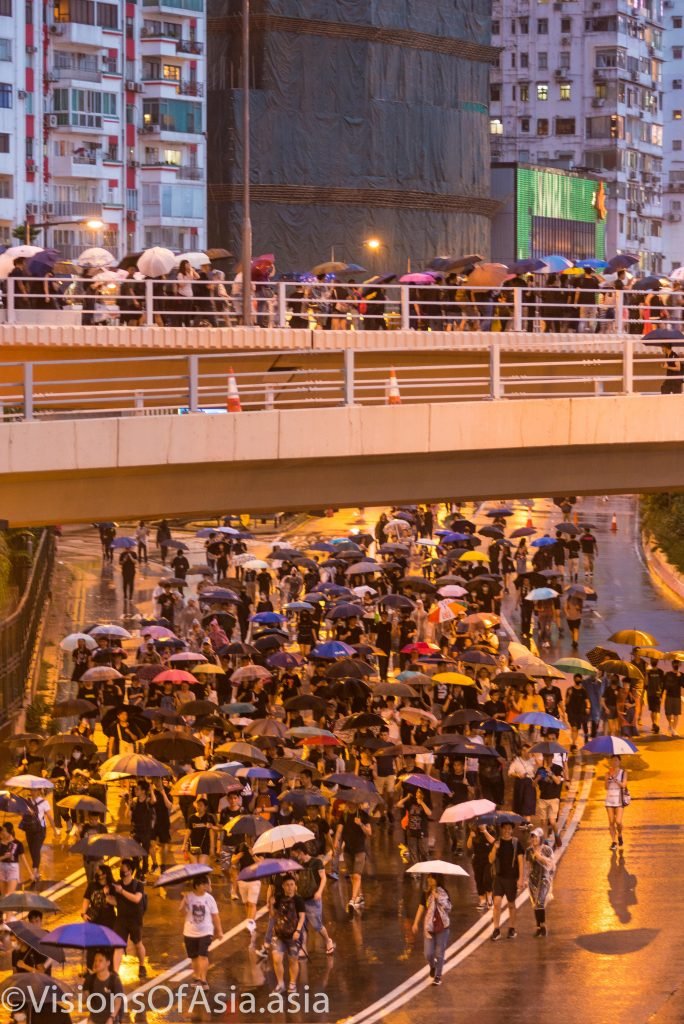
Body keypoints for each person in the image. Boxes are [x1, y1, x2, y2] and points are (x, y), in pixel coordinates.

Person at [291, 843, 335, 955]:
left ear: (301, 852)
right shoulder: (297, 865)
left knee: (317, 925)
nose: (295, 856)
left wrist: (319, 892)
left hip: (313, 900)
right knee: (302, 925)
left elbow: (323, 878)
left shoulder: (316, 862)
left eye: (296, 854)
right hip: (301, 899)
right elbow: (297, 881)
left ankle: (328, 940)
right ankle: (303, 947)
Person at [181, 874, 224, 988]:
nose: (205, 886)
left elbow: (215, 916)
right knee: (194, 957)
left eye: (206, 884)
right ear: (196, 885)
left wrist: (219, 931)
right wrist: (184, 902)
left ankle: (203, 979)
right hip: (190, 932)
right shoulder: (188, 897)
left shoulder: (209, 898)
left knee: (203, 955)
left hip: (206, 932)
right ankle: (196, 976)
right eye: (203, 884)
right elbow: (182, 913)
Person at [411, 872, 452, 986]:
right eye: (428, 877)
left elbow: (448, 907)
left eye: (432, 878)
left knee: (439, 954)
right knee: (428, 954)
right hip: (429, 927)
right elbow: (421, 908)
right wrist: (415, 923)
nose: (429, 880)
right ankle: (432, 966)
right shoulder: (425, 893)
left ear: (437, 879)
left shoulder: (444, 893)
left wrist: (437, 897)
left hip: (442, 927)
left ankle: (438, 976)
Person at [270, 874, 306, 995]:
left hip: (293, 935)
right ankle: (280, 983)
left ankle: (292, 983)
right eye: (287, 885)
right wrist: (270, 904)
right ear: (283, 886)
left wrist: (298, 931)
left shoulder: (298, 900)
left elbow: (302, 917)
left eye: (292, 885)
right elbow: (273, 915)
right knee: (276, 959)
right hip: (279, 934)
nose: (289, 887)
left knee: (292, 960)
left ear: (295, 886)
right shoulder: (278, 898)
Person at [333, 800, 372, 912]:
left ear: (357, 803)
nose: (350, 804)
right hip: (348, 850)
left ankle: (352, 900)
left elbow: (369, 833)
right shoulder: (344, 816)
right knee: (352, 876)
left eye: (352, 802)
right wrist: (336, 841)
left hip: (360, 850)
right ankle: (360, 896)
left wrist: (360, 824)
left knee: (357, 876)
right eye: (348, 802)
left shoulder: (363, 815)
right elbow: (339, 830)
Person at [112, 858, 147, 977]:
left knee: (138, 943)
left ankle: (142, 965)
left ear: (130, 871)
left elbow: (137, 899)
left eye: (123, 869)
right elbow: (115, 901)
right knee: (119, 946)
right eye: (120, 868)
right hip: (121, 919)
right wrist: (106, 894)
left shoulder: (138, 885)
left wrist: (122, 892)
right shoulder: (118, 884)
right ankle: (115, 972)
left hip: (135, 920)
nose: (121, 871)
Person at [489, 821, 524, 941]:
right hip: (499, 877)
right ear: (501, 829)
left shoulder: (516, 843)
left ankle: (512, 928)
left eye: (509, 828)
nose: (507, 831)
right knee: (497, 903)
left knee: (511, 904)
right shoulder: (497, 842)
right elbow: (490, 859)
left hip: (511, 878)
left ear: (512, 830)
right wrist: (495, 848)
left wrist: (521, 878)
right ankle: (496, 929)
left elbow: (520, 862)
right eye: (505, 828)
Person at [525, 827, 555, 937]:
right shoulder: (529, 850)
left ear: (540, 838)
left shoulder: (547, 850)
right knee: (535, 904)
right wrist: (525, 879)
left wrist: (540, 857)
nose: (534, 839)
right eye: (532, 837)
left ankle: (543, 926)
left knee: (540, 902)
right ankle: (538, 927)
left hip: (544, 879)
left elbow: (551, 864)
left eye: (536, 837)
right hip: (533, 880)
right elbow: (527, 866)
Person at [82, 949, 124, 1024]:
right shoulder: (90, 980)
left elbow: (118, 1003)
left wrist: (111, 1018)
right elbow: (84, 1001)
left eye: (100, 960)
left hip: (111, 1019)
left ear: (108, 963)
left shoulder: (114, 980)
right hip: (94, 1019)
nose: (97, 963)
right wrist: (83, 987)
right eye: (95, 960)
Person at [534, 755, 563, 848]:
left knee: (552, 821)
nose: (547, 759)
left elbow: (558, 782)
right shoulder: (540, 770)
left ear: (552, 757)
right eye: (545, 757)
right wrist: (537, 778)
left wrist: (550, 773)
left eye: (549, 757)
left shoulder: (557, 768)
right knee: (543, 822)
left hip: (554, 798)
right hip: (543, 798)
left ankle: (557, 835)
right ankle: (545, 841)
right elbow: (533, 784)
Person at [467, 822, 494, 911]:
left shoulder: (491, 830)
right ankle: (482, 900)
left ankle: (489, 898)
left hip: (488, 859)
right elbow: (468, 846)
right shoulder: (474, 831)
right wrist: (471, 837)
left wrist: (485, 831)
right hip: (477, 859)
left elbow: (493, 841)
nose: (480, 825)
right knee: (478, 879)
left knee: (487, 878)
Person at [605, 754, 629, 851]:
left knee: (618, 821)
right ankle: (614, 842)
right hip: (609, 800)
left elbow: (623, 785)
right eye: (612, 760)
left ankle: (619, 834)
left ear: (619, 762)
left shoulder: (623, 773)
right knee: (611, 822)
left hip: (619, 800)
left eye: (616, 760)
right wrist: (608, 778)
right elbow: (606, 787)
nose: (614, 762)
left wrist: (614, 778)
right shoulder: (607, 773)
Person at [565, 674, 591, 751]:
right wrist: (569, 695)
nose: (578, 680)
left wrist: (588, 707)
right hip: (571, 712)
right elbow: (566, 702)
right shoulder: (570, 689)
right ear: (574, 680)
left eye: (579, 679)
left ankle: (574, 742)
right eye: (576, 679)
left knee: (577, 729)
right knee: (574, 728)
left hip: (580, 713)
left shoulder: (583, 690)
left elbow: (587, 700)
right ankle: (573, 744)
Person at [0, 822, 24, 897]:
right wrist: (4, 857)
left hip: (13, 869)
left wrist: (30, 874)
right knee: (4, 897)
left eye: (4, 831)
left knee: (9, 896)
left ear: (10, 832)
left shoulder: (18, 843)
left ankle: (11, 909)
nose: (2, 834)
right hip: (1, 869)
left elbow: (23, 859)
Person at [645, 658, 665, 734]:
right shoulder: (648, 672)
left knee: (657, 710)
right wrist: (646, 673)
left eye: (655, 660)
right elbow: (646, 684)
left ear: (657, 661)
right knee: (652, 711)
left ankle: (656, 724)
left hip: (657, 694)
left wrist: (662, 694)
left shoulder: (660, 672)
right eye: (652, 660)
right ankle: (654, 724)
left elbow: (663, 684)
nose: (654, 661)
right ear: (651, 661)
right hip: (650, 693)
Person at [663, 659, 682, 737]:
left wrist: (679, 677)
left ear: (679, 665)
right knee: (668, 714)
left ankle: (673, 729)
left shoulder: (681, 675)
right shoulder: (668, 674)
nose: (676, 665)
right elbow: (665, 685)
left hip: (677, 697)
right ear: (672, 664)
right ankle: (670, 724)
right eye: (674, 663)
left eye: (677, 663)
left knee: (676, 714)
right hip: (669, 696)